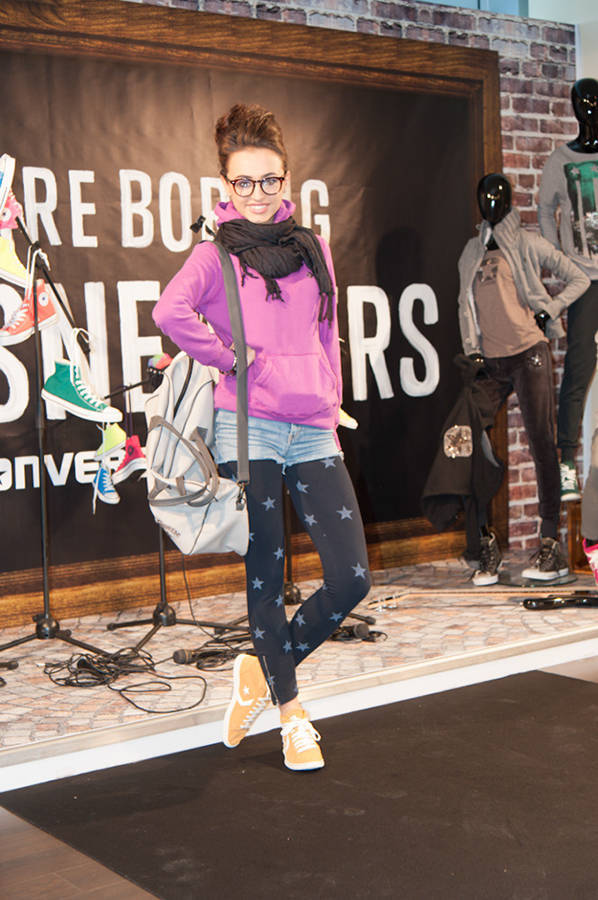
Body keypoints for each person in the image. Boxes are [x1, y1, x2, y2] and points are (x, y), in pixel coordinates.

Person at [153, 103, 371, 772]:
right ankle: (292, 716)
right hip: (247, 429)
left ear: (287, 179)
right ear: (224, 184)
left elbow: (327, 331)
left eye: (269, 179)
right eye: (243, 181)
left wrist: (331, 399)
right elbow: (169, 311)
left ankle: (261, 668)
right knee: (266, 577)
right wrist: (230, 358)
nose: (257, 192)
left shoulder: (312, 248)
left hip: (312, 427)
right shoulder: (214, 255)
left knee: (351, 578)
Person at [457, 173, 590, 586]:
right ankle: (484, 545)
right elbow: (464, 304)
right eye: (484, 197)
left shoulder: (528, 243)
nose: (490, 203)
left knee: (542, 444)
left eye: (497, 196)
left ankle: (550, 546)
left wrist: (550, 308)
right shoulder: (471, 251)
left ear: (509, 201)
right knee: (468, 441)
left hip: (528, 354)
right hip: (490, 363)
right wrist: (472, 348)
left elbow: (579, 277)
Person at [538, 77, 598, 502]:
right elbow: (545, 210)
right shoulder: (560, 161)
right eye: (584, 102)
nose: (589, 108)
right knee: (578, 370)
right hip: (584, 281)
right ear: (574, 108)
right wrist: (560, 260)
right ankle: (566, 464)